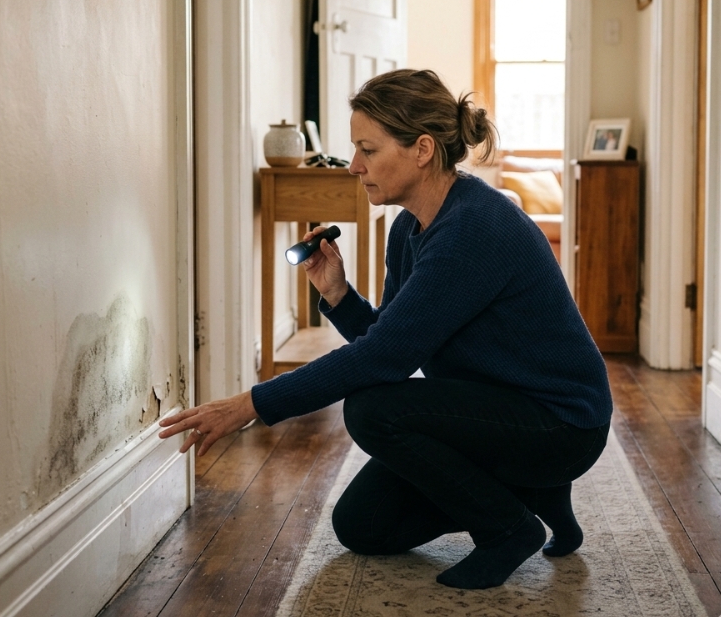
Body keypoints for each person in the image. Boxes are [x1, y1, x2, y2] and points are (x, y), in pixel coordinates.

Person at [158, 68, 613, 590]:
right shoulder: (411, 225)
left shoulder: (472, 230)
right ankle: (535, 492)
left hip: (561, 423)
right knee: (363, 526)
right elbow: (393, 344)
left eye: (368, 150)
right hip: (496, 408)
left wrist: (250, 405)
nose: (354, 166)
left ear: (422, 149)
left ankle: (509, 529)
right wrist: (338, 295)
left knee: (373, 410)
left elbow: (382, 362)